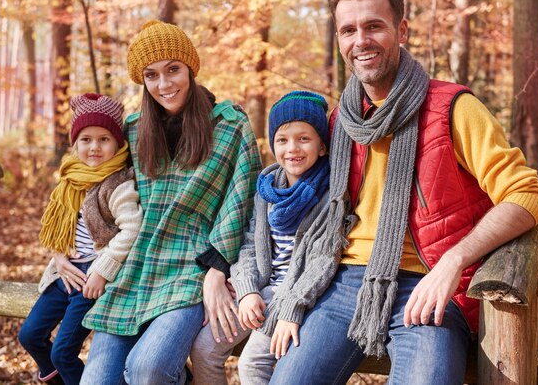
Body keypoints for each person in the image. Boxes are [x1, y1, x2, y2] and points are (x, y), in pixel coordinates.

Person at [269, 0, 538, 385]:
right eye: (348, 30)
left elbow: (526, 195)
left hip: (430, 282)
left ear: (401, 30)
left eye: (374, 26)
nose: (360, 40)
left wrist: (453, 262)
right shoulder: (341, 121)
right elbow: (306, 203)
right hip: (342, 280)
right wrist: (286, 296)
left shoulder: (453, 108)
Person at [79, 20, 261, 385]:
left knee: (149, 370)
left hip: (188, 273)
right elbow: (90, 188)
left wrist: (217, 267)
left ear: (190, 68)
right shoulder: (131, 131)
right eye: (152, 75)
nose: (164, 84)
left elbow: (244, 203)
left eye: (173, 70)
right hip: (132, 272)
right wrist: (60, 252)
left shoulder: (229, 125)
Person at [190, 91, 337, 385]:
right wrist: (246, 292)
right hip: (260, 291)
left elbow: (324, 261)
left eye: (303, 139)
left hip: (300, 296)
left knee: (253, 364)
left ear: (322, 146)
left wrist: (280, 304)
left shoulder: (330, 195)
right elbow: (248, 244)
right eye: (282, 140)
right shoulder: (266, 189)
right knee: (204, 349)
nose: (292, 148)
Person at [18, 93, 143, 385]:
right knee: (30, 335)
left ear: (117, 143)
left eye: (103, 139)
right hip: (64, 271)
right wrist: (58, 257)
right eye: (86, 139)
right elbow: (58, 229)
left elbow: (132, 228)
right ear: (75, 143)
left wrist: (102, 270)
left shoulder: (119, 184)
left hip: (92, 278)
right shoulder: (70, 180)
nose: (94, 147)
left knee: (63, 353)